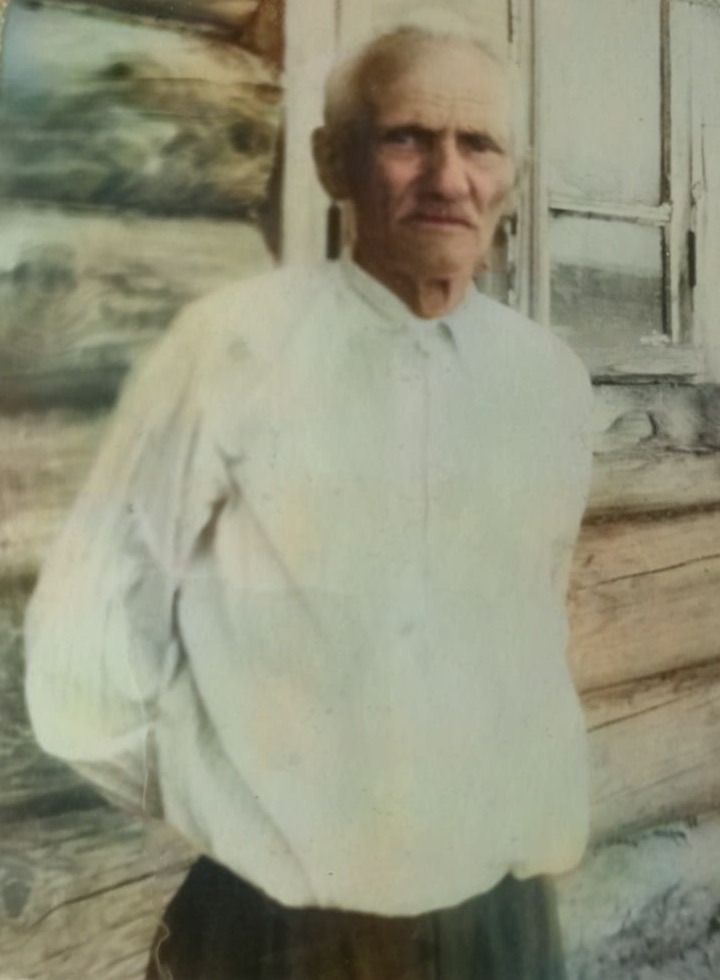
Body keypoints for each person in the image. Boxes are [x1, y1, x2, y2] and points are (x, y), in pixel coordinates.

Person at [24, 13, 594, 980]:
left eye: (479, 144)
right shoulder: (232, 348)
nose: (447, 177)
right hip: (284, 931)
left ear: (513, 178)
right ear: (334, 162)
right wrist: (239, 808)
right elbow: (85, 651)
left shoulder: (546, 381)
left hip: (498, 926)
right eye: (407, 137)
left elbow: (532, 626)